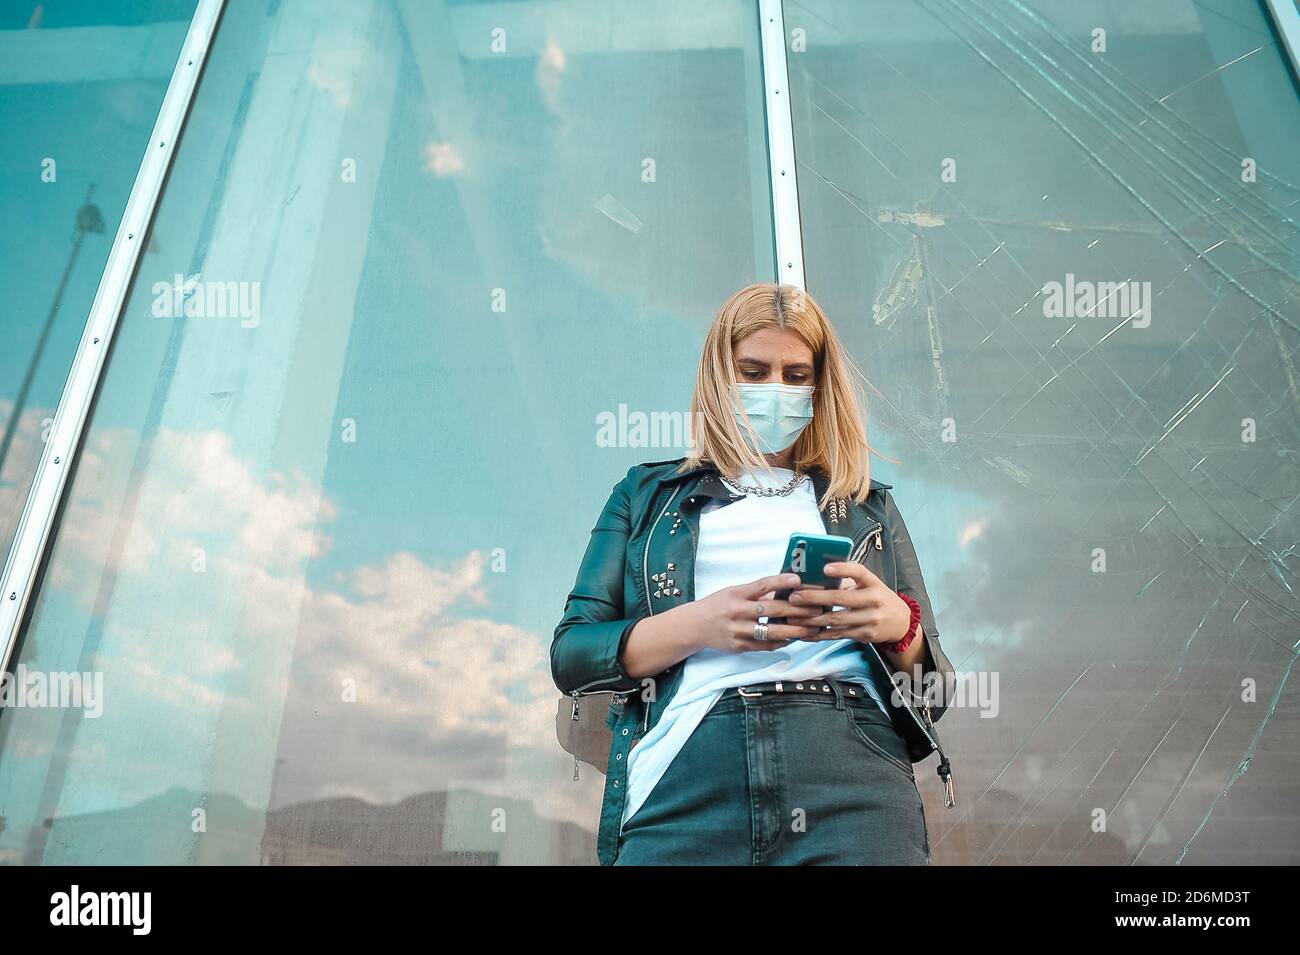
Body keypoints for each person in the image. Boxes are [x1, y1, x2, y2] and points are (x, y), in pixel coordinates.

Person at [552, 282, 954, 866]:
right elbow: (571, 657)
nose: (777, 390)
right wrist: (700, 624)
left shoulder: (866, 504)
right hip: (686, 773)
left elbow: (934, 694)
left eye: (797, 375)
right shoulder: (645, 494)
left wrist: (900, 626)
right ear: (720, 375)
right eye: (754, 370)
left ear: (821, 386)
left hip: (850, 770)